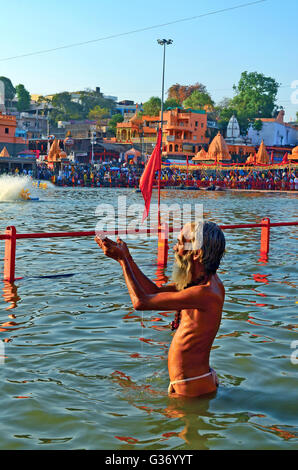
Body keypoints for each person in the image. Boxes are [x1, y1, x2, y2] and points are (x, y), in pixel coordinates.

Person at [95, 221, 226, 398]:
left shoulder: (205, 293)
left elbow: (141, 302)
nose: (174, 248)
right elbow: (152, 292)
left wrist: (122, 260)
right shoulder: (203, 281)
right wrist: (128, 258)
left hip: (192, 387)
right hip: (195, 381)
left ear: (197, 253)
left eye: (180, 243)